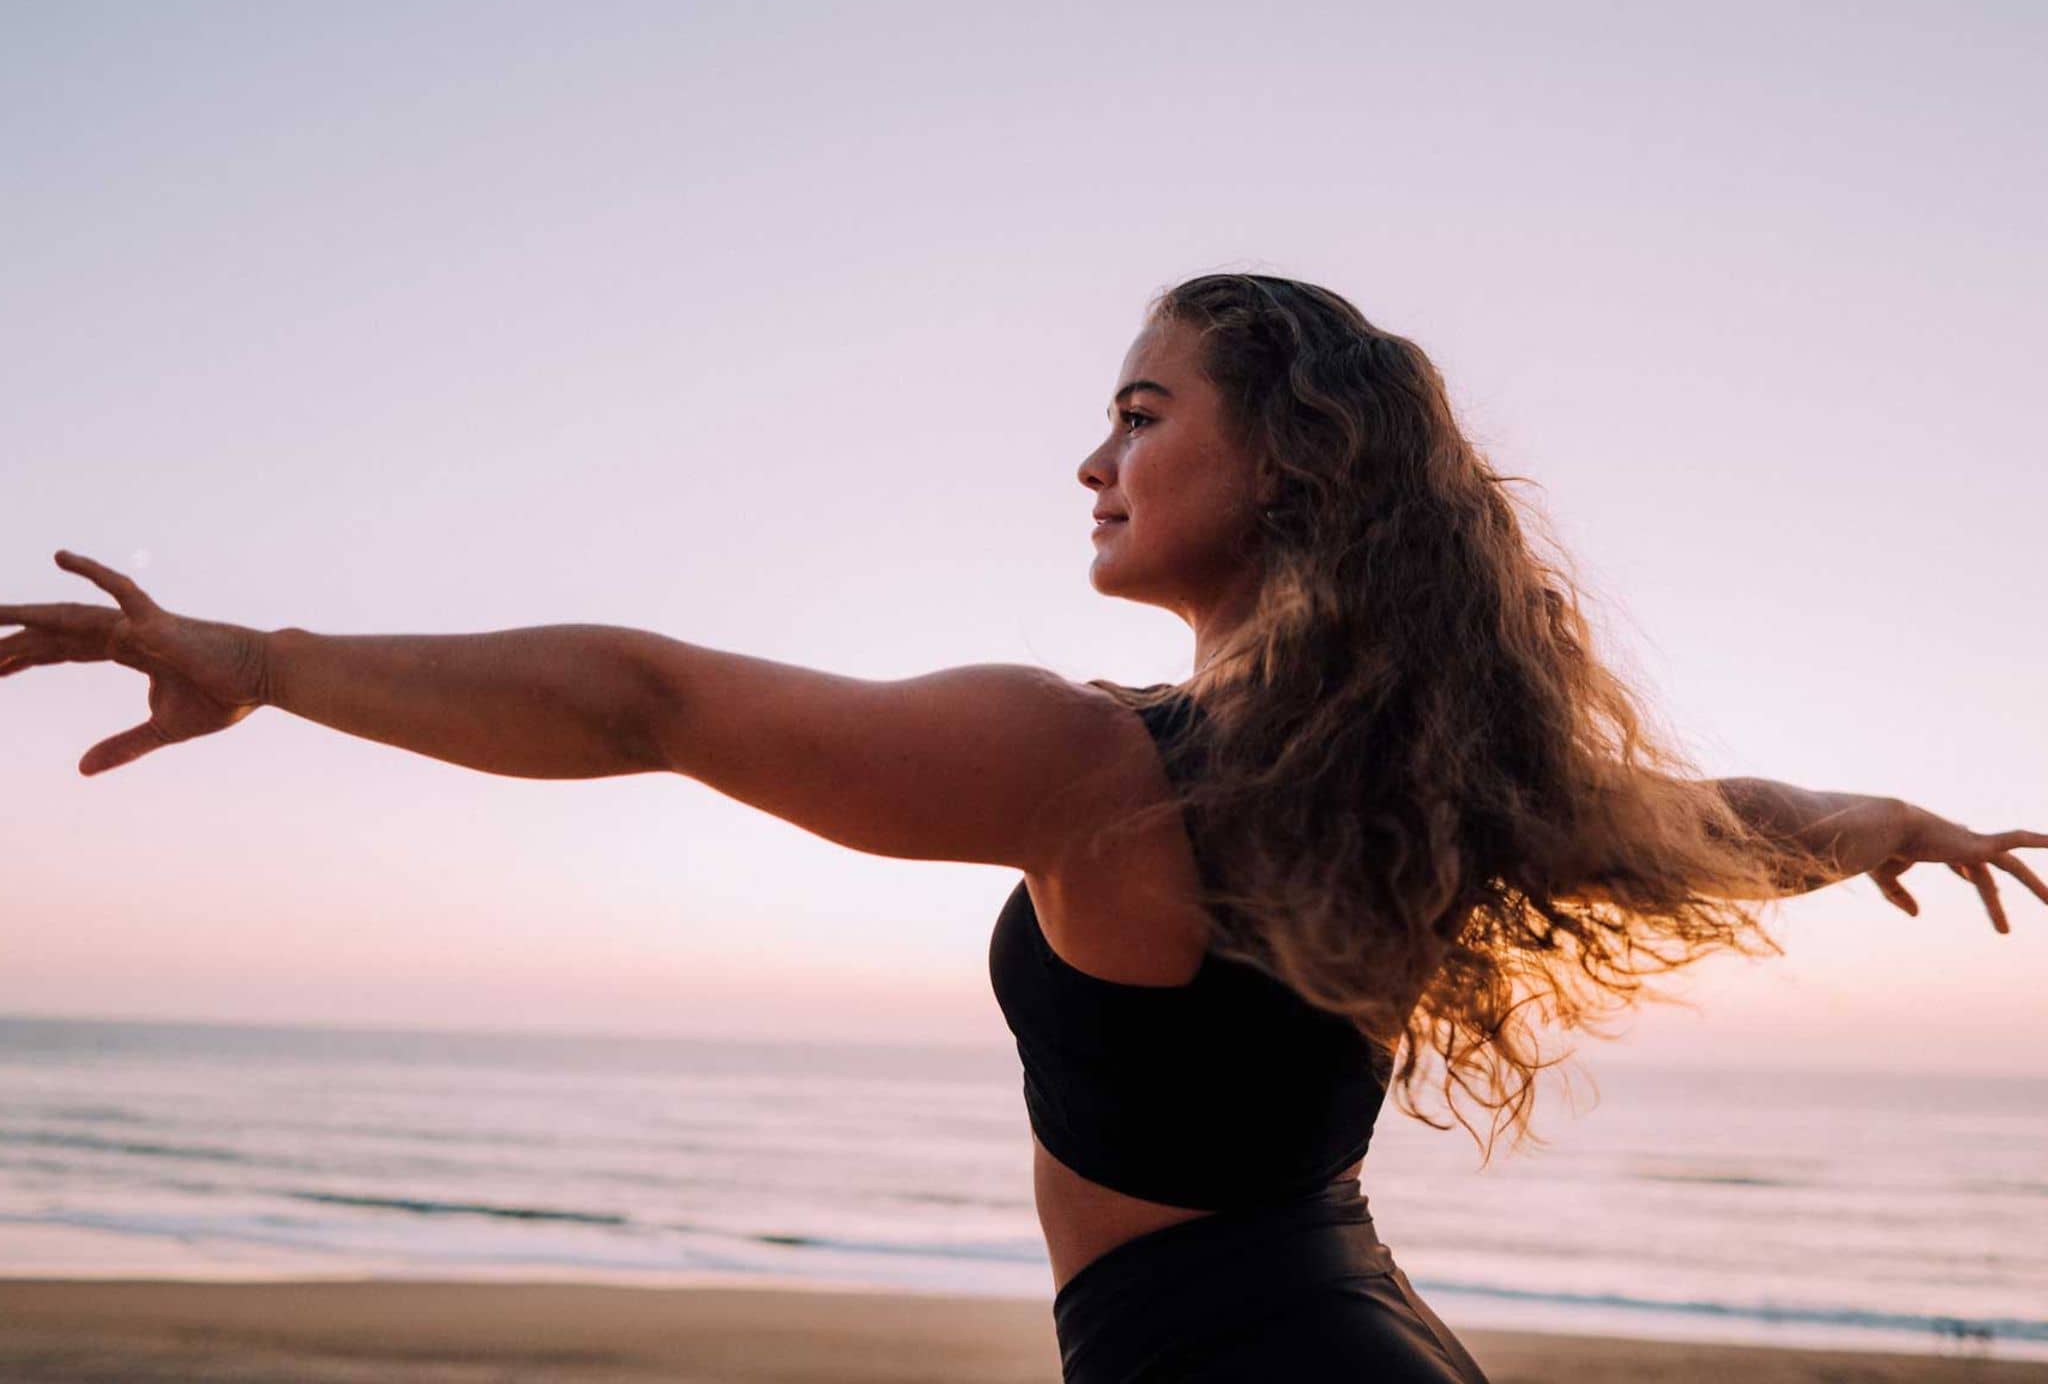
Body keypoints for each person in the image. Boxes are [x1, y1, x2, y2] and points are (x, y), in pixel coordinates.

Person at [2, 271, 2040, 1382]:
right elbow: (1725, 817)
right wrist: (1882, 824)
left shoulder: (1095, 765)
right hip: (1346, 1327)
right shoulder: (1421, 770)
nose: (1091, 458)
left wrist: (263, 659)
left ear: (1289, 460)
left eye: (1142, 412)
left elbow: (651, 703)